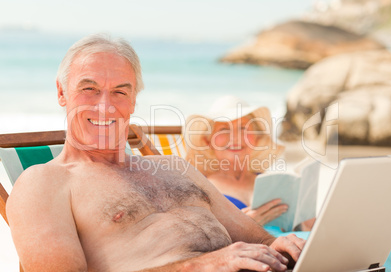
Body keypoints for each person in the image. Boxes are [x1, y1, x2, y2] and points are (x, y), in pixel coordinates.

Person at [6, 34, 305, 272]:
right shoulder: (44, 183)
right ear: (61, 92)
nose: (105, 106)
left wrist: (285, 245)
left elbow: (262, 239)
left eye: (121, 92)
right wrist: (201, 265)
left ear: (134, 99)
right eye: (90, 89)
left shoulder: (176, 167)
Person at [185, 96, 292, 227]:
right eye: (223, 129)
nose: (235, 137)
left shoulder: (272, 183)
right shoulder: (200, 189)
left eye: (243, 128)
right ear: (208, 141)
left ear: (257, 138)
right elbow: (199, 239)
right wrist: (243, 226)